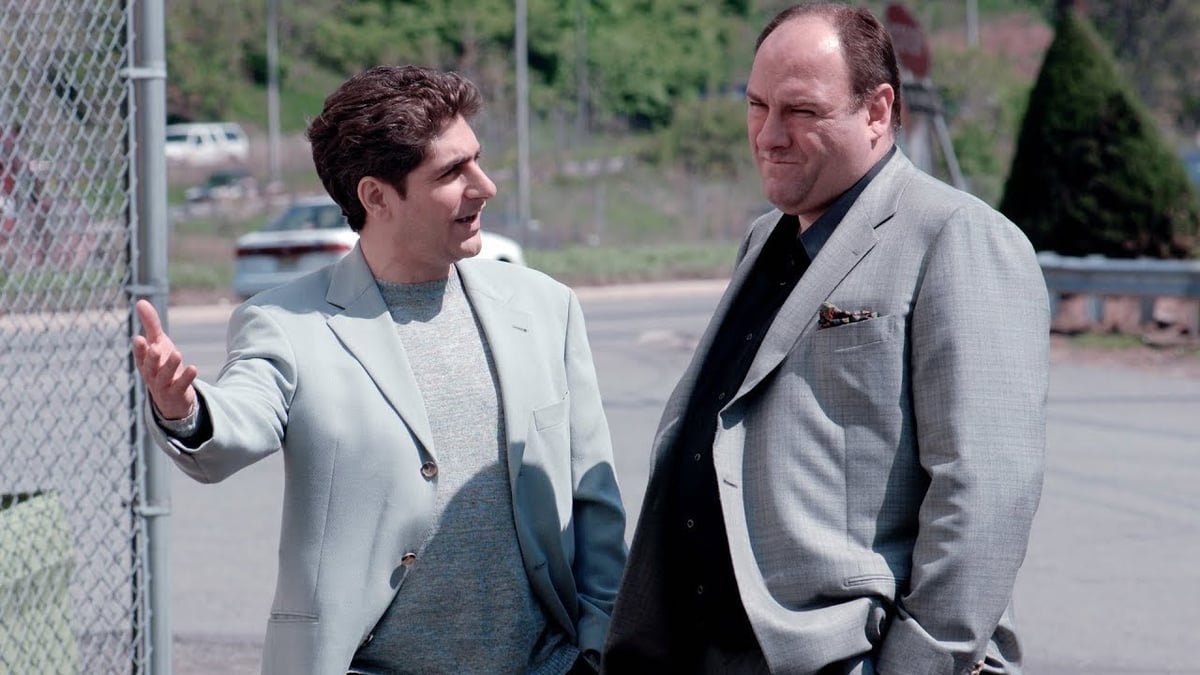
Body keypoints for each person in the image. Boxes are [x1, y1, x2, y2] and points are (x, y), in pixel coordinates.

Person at [133, 65, 627, 675]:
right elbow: (238, 422)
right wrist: (184, 408)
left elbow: (594, 503)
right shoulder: (286, 323)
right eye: (452, 172)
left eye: (476, 160)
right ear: (375, 196)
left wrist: (596, 648)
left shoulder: (546, 307)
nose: (485, 186)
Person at [604, 3, 1049, 674]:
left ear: (877, 111)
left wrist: (916, 664)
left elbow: (986, 491)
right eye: (756, 105)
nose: (769, 135)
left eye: (801, 112)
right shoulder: (765, 238)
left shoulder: (955, 236)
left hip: (844, 655)